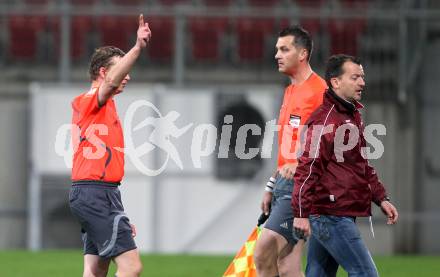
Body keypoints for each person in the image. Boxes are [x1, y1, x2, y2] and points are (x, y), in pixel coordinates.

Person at [292, 54, 399, 276]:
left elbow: (362, 164)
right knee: (366, 273)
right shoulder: (326, 120)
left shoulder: (350, 115)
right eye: (355, 77)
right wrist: (300, 213)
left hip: (333, 213)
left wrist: (381, 198)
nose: (362, 82)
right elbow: (308, 168)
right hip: (331, 215)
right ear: (335, 82)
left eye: (362, 77)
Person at [68, 14, 151, 277]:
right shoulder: (94, 98)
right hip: (95, 193)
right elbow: (111, 83)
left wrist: (115, 212)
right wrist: (137, 47)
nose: (127, 77)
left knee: (95, 270)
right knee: (131, 267)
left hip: (98, 194)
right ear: (104, 73)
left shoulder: (98, 105)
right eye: (121, 70)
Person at [254, 26, 327, 277]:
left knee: (263, 250)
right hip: (284, 186)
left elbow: (335, 141)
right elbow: (289, 149)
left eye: (284, 49)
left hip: (303, 185)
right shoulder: (290, 91)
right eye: (277, 49)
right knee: (286, 266)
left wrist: (303, 165)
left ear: (303, 54)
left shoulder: (320, 91)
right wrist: (272, 184)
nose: (277, 54)